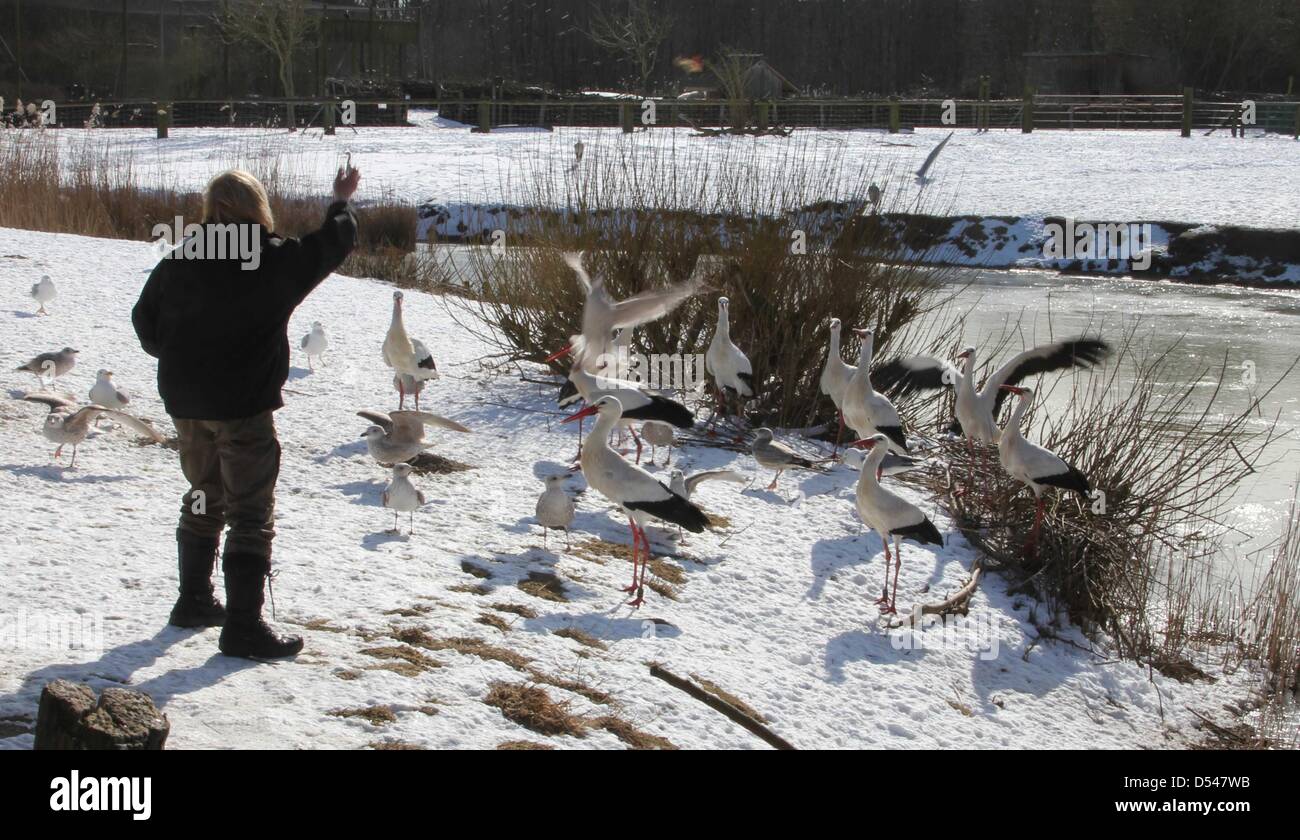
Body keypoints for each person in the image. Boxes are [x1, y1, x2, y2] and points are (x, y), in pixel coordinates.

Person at [132, 165, 360, 659]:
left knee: (201, 494)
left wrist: (183, 354)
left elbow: (145, 325)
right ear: (258, 208)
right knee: (250, 513)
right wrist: (340, 202)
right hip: (241, 405)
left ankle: (193, 600)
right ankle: (242, 627)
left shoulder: (183, 256)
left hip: (187, 404)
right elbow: (332, 244)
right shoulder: (275, 259)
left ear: (211, 209)